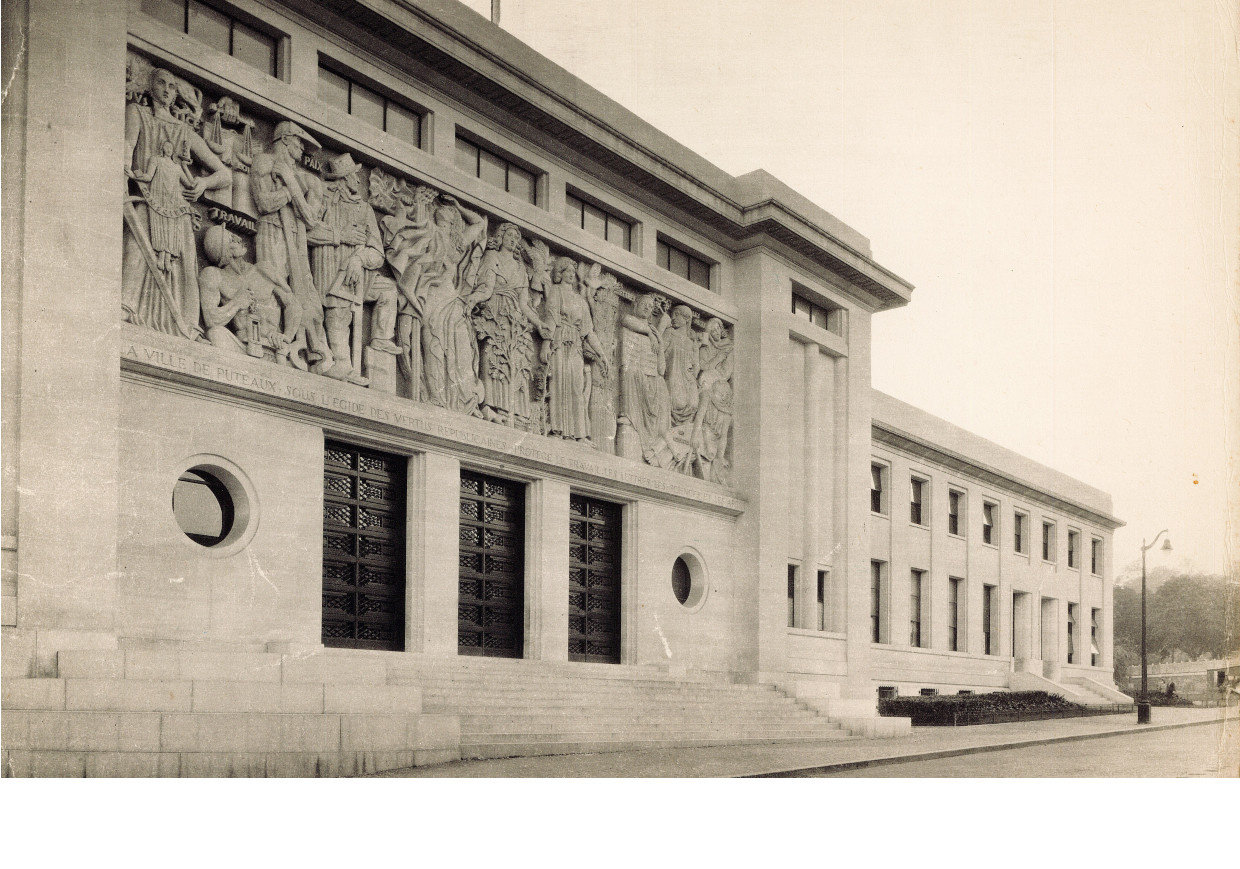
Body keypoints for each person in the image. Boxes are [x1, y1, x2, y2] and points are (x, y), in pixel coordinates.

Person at [122, 66, 231, 337]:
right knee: (137, 252)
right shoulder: (138, 114)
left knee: (184, 267)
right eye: (161, 83)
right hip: (148, 200)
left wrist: (203, 183)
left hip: (179, 209)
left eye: (172, 86)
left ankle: (188, 323)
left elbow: (225, 174)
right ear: (150, 87)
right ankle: (126, 306)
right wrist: (124, 175)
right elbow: (126, 149)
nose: (167, 90)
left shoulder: (185, 132)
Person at [307, 152, 399, 386]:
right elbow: (308, 232)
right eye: (354, 176)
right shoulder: (322, 200)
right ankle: (342, 366)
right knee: (338, 312)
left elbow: (377, 252)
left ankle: (380, 338)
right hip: (329, 274)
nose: (358, 181)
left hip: (360, 275)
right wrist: (341, 236)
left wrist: (359, 259)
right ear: (344, 179)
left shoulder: (364, 209)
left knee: (388, 290)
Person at [252, 120, 334, 374]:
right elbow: (264, 203)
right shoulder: (264, 162)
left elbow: (310, 218)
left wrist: (290, 183)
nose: (301, 150)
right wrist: (290, 192)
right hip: (273, 230)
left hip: (296, 239)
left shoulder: (301, 177)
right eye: (299, 143)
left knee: (305, 295)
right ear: (285, 140)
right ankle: (269, 348)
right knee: (274, 289)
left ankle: (309, 351)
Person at [472, 223, 543, 427]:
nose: (513, 240)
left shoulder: (520, 267)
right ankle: (491, 407)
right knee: (493, 359)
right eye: (510, 235)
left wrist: (538, 323)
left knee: (516, 363)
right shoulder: (492, 257)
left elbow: (524, 303)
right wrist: (471, 301)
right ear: (501, 237)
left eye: (516, 237)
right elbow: (486, 289)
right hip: (495, 312)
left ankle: (513, 411)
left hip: (515, 319)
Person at [198, 224, 299, 360]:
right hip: (242, 347)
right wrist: (236, 303)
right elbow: (210, 319)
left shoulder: (263, 270)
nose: (238, 239)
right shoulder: (214, 275)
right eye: (232, 239)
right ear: (224, 251)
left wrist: (286, 336)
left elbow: (293, 304)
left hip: (275, 347)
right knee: (215, 333)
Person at [539, 257, 608, 440]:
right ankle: (557, 430)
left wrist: (602, 354)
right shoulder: (556, 292)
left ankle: (579, 434)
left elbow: (589, 331)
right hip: (560, 342)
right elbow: (551, 318)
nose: (571, 275)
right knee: (559, 384)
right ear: (559, 274)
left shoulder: (580, 301)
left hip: (576, 345)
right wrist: (546, 343)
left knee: (577, 388)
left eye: (572, 272)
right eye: (567, 271)